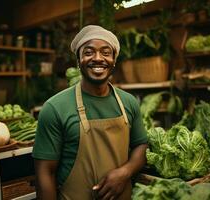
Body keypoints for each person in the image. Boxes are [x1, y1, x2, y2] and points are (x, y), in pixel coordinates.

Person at [32, 25, 148, 200]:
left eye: (106, 52)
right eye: (88, 52)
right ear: (78, 60)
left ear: (114, 60)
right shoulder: (55, 108)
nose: (98, 58)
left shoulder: (128, 102)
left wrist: (125, 172)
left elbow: (141, 145)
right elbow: (45, 172)